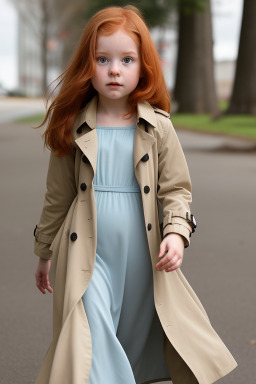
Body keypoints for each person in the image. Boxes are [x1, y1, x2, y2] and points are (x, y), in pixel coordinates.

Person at [33, 5, 237, 384]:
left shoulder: (157, 127)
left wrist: (177, 232)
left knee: (131, 331)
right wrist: (44, 251)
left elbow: (176, 189)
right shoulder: (72, 128)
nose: (114, 69)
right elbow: (57, 197)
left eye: (126, 59)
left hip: (142, 251)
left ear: (143, 66)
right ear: (86, 65)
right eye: (102, 59)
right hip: (87, 251)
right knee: (90, 330)